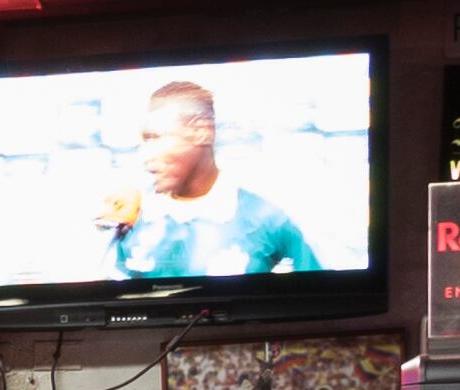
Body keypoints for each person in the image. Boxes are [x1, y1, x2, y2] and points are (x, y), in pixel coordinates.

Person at [105, 80, 319, 279]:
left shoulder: (267, 220)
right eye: (145, 141)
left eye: (156, 138)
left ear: (201, 132)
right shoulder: (132, 219)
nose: (146, 156)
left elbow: (319, 300)